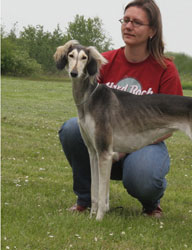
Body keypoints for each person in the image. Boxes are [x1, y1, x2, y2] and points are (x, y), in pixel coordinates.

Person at [59, 0, 183, 218]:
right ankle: (86, 199)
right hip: (107, 141)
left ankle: (151, 205)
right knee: (71, 129)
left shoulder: (166, 69)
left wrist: (127, 146)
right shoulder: (104, 61)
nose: (128, 26)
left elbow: (172, 124)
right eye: (125, 20)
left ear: (152, 30)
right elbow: (88, 102)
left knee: (143, 173)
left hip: (145, 143)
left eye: (136, 22)